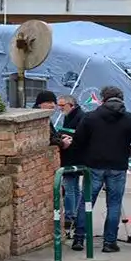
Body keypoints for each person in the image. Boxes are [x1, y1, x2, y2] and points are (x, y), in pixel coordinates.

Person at [63, 86, 131, 252]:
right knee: (114, 204)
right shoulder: (130, 118)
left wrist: (85, 154)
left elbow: (78, 142)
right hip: (118, 165)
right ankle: (109, 242)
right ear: (121, 98)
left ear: (102, 98)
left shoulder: (91, 117)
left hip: (94, 165)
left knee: (86, 202)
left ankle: (79, 239)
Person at [55, 94, 86, 241]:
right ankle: (74, 215)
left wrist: (64, 137)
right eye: (58, 105)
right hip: (74, 157)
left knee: (70, 188)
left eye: (62, 105)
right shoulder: (71, 115)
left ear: (71, 105)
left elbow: (78, 135)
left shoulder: (79, 117)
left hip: (72, 157)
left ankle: (70, 216)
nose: (59, 108)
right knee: (74, 188)